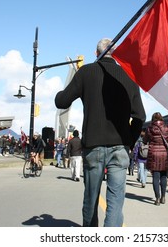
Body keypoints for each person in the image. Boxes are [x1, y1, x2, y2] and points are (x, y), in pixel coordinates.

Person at [55, 38, 146, 227]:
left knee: (91, 198)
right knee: (115, 202)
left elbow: (62, 102)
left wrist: (59, 94)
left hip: (93, 145)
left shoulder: (86, 72)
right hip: (120, 146)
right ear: (116, 54)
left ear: (97, 53)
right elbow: (140, 117)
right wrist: (129, 140)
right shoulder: (129, 77)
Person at [143, 112, 168, 206]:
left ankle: (157, 199)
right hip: (164, 154)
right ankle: (163, 197)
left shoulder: (150, 128)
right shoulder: (166, 128)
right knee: (163, 176)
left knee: (155, 177)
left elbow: (145, 140)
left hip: (154, 154)